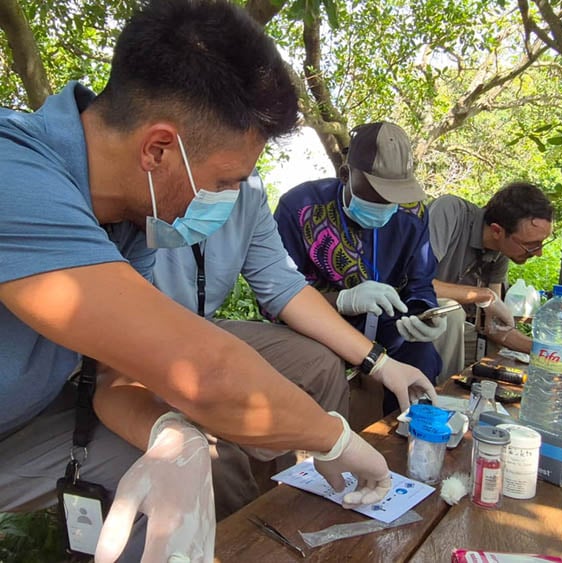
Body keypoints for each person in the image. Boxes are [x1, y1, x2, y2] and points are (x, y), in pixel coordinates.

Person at [0, 1, 391, 561]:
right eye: (226, 182)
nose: (231, 201)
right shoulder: (14, 175)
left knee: (171, 466)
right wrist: (333, 437)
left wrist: (168, 431)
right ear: (158, 149)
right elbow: (206, 370)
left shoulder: (131, 220)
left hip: (29, 421)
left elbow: (115, 376)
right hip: (21, 427)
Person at [148, 171, 437, 514]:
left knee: (320, 362)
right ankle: (250, 521)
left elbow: (282, 285)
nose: (238, 185)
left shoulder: (249, 190)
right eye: (226, 176)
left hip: (202, 325)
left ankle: (296, 487)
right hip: (146, 334)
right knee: (215, 450)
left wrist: (382, 364)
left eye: (245, 173)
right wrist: (343, 300)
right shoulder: (300, 206)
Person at [274, 122, 444, 414]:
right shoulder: (300, 208)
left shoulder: (412, 214)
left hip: (389, 325)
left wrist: (424, 314)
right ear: (345, 176)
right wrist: (343, 301)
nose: (386, 205)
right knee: (318, 365)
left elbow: (420, 283)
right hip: (319, 327)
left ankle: (406, 432)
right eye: (376, 194)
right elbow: (276, 298)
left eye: (395, 196)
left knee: (422, 356)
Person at [427, 182, 555, 380]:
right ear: (497, 231)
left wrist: (551, 351)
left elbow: (494, 327)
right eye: (531, 245)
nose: (539, 253)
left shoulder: (501, 250)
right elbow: (417, 284)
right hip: (406, 315)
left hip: (452, 332)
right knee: (451, 312)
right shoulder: (450, 212)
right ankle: (443, 395)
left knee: (494, 350)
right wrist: (485, 296)